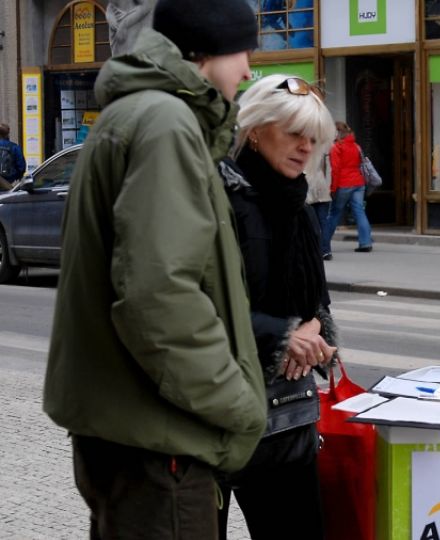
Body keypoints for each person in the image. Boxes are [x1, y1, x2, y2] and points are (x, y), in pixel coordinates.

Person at [43, 1, 269, 537]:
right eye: (244, 51)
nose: (247, 70)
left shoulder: (139, 113)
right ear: (205, 50)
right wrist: (238, 404)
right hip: (159, 444)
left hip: (133, 434)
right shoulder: (165, 121)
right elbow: (157, 296)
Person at [216, 74, 339, 539]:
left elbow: (317, 305)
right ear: (254, 129)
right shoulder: (220, 200)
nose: (306, 148)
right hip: (221, 415)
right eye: (293, 133)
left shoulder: (298, 204)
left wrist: (319, 340)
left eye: (314, 138)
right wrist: (283, 335)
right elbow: (193, 313)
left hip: (288, 416)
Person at [323, 120, 373, 256]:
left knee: (334, 213)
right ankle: (366, 242)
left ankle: (323, 244)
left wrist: (333, 189)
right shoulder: (356, 146)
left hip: (344, 183)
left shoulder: (336, 147)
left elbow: (336, 170)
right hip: (359, 182)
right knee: (359, 212)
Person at [307, 145, 334, 257]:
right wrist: (328, 188)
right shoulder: (324, 149)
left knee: (311, 222)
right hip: (322, 187)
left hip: (309, 188)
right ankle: (326, 250)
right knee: (323, 222)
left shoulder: (303, 149)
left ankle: (315, 249)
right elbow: (329, 170)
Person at [0, 122, 27, 191]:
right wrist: (17, 176)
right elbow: (21, 166)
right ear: (7, 134)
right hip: (8, 183)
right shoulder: (14, 147)